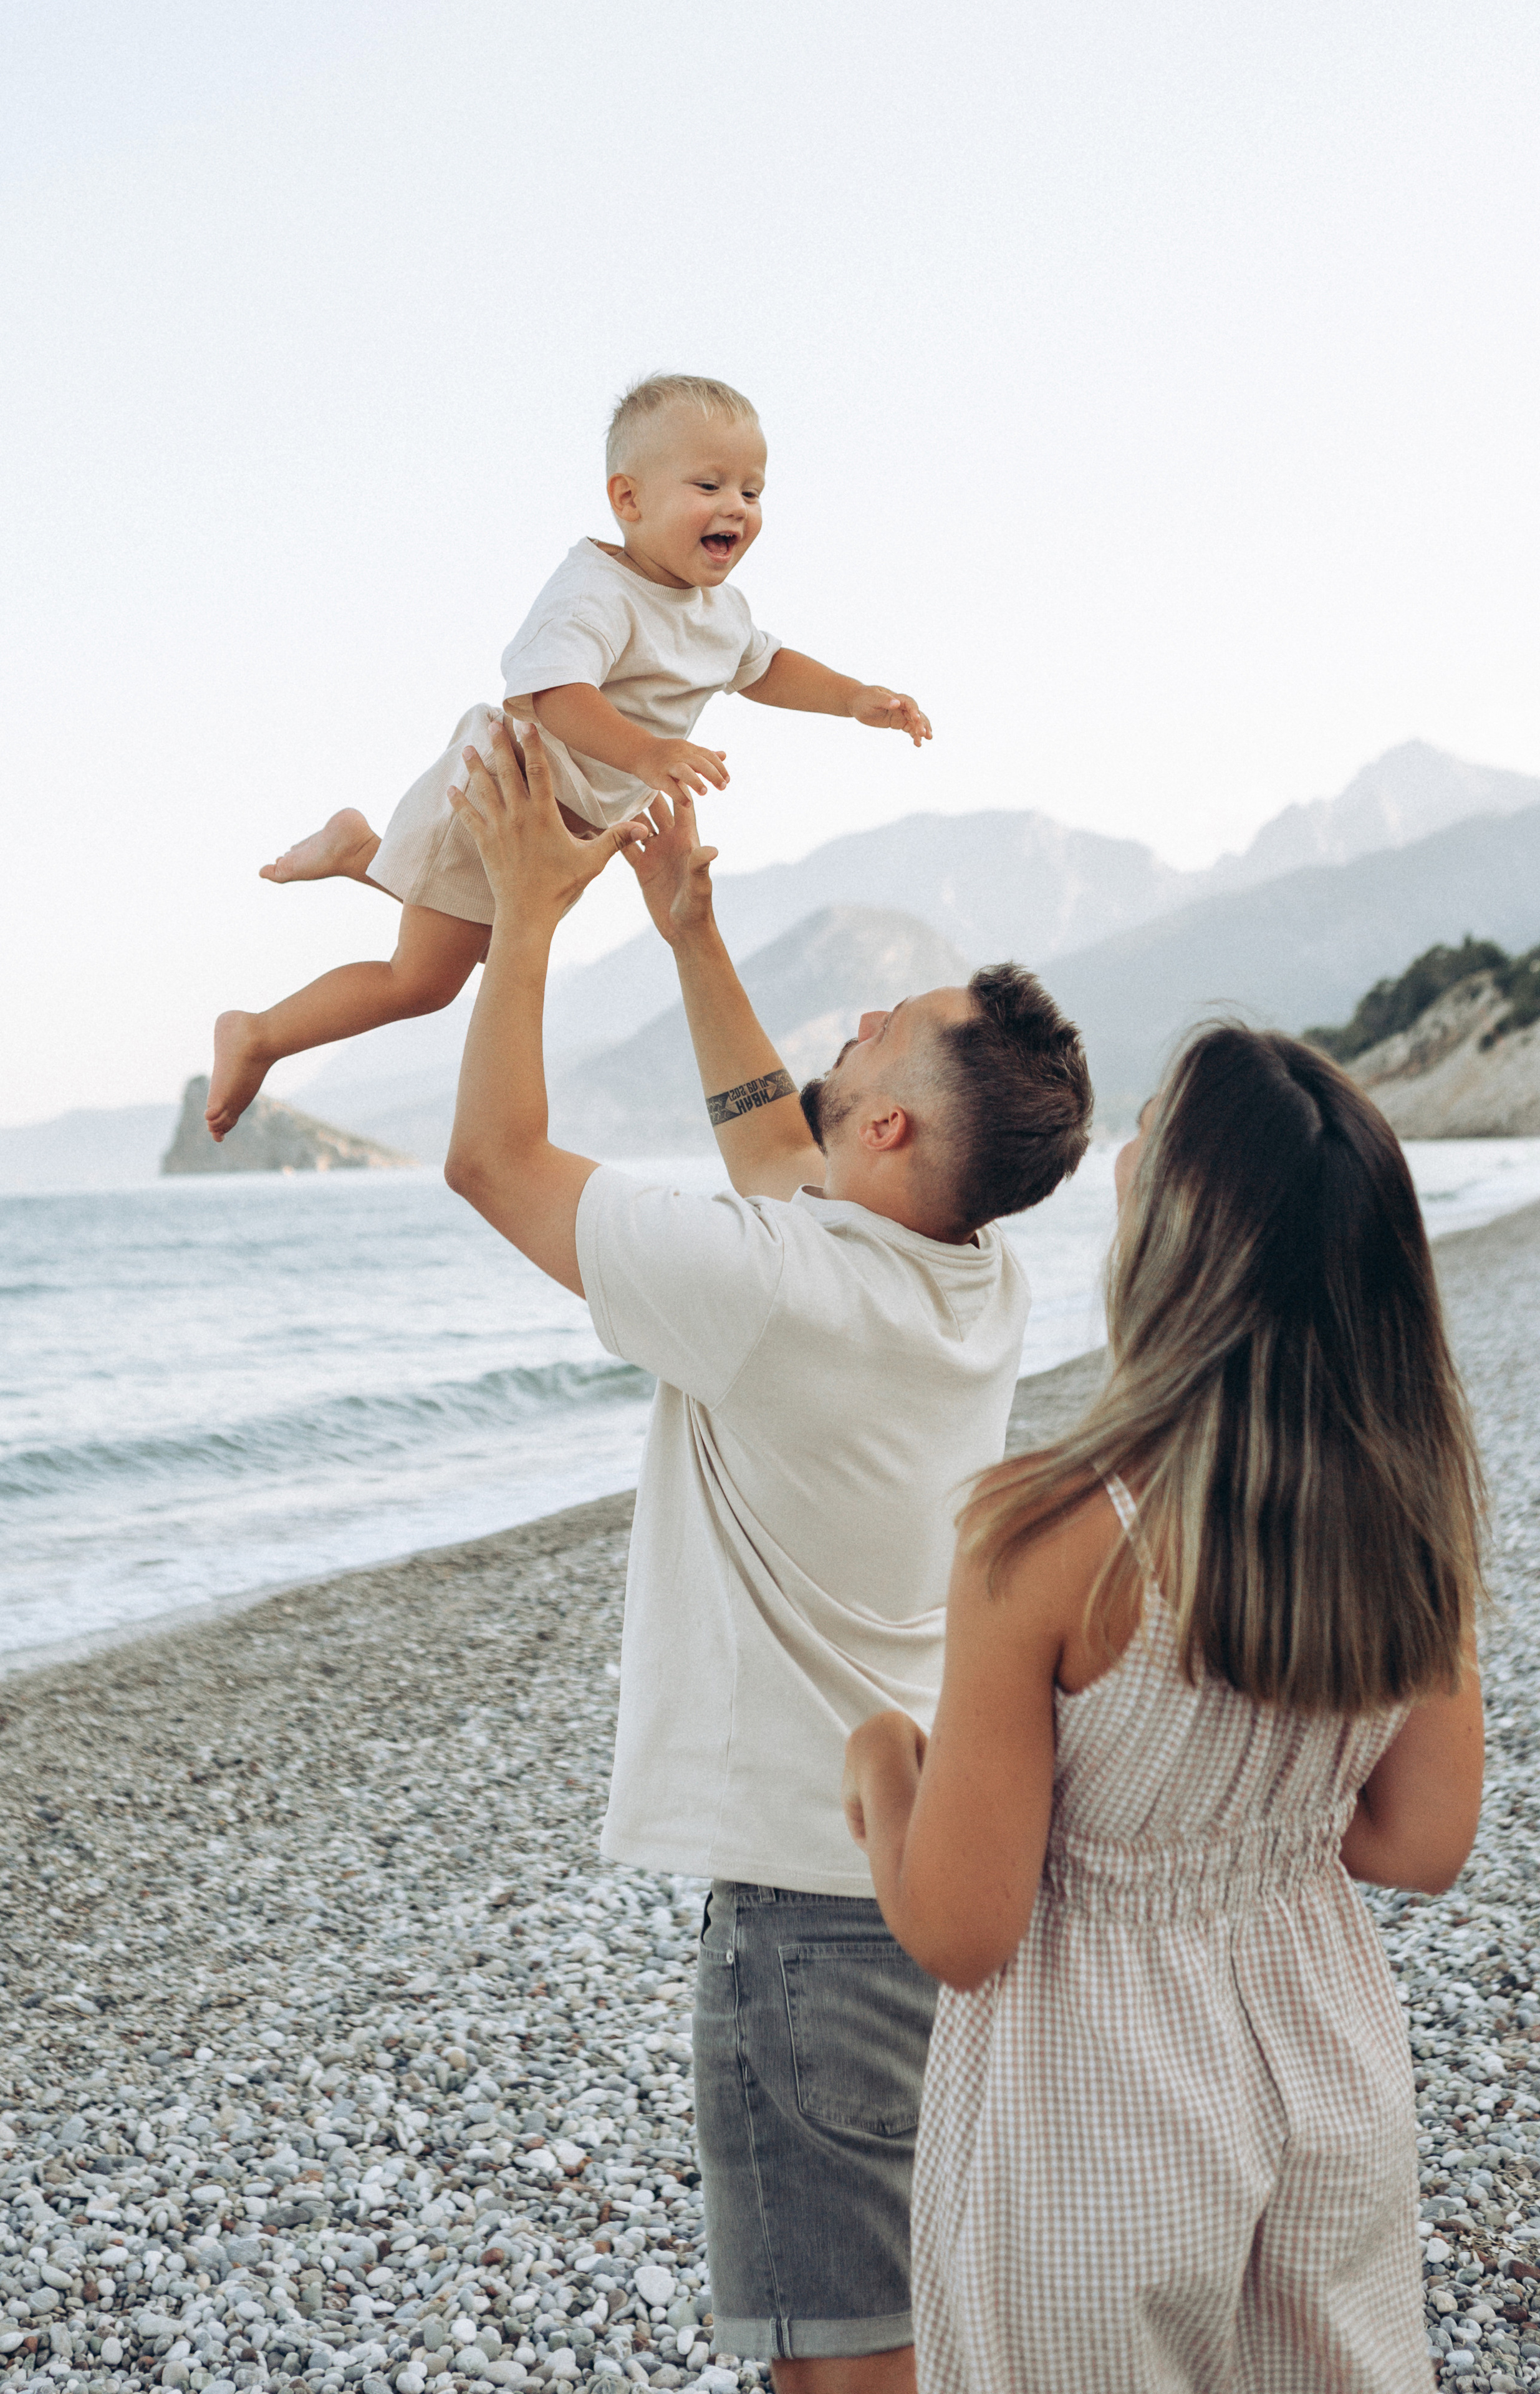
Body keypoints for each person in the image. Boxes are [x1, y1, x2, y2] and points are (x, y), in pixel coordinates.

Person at [438, 718, 1092, 2392]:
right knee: (913, 2332)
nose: (858, 1027)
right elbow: (783, 1165)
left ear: (890, 1143)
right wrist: (689, 931)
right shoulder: (971, 1282)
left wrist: (523, 913)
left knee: (843, 2371)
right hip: (922, 1871)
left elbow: (493, 1163)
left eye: (886, 1031)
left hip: (811, 1932)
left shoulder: (783, 1292)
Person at [842, 1025, 1488, 2393]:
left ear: (1178, 1236)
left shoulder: (1047, 1534)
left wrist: (881, 1765)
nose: (1121, 1158)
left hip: (1090, 2113)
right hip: (1321, 2076)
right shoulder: (1409, 1506)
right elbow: (1421, 1841)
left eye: (1144, 1132)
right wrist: (1258, 1825)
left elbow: (965, 1927)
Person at [205, 371, 931, 1140]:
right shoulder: (595, 592)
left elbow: (763, 667)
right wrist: (650, 754)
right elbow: (552, 692)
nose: (735, 508)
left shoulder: (718, 609)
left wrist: (853, 698)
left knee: (487, 949)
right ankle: (256, 1033)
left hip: (565, 821)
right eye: (709, 484)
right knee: (422, 981)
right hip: (505, 791)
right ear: (628, 500)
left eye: (752, 492)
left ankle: (363, 852)